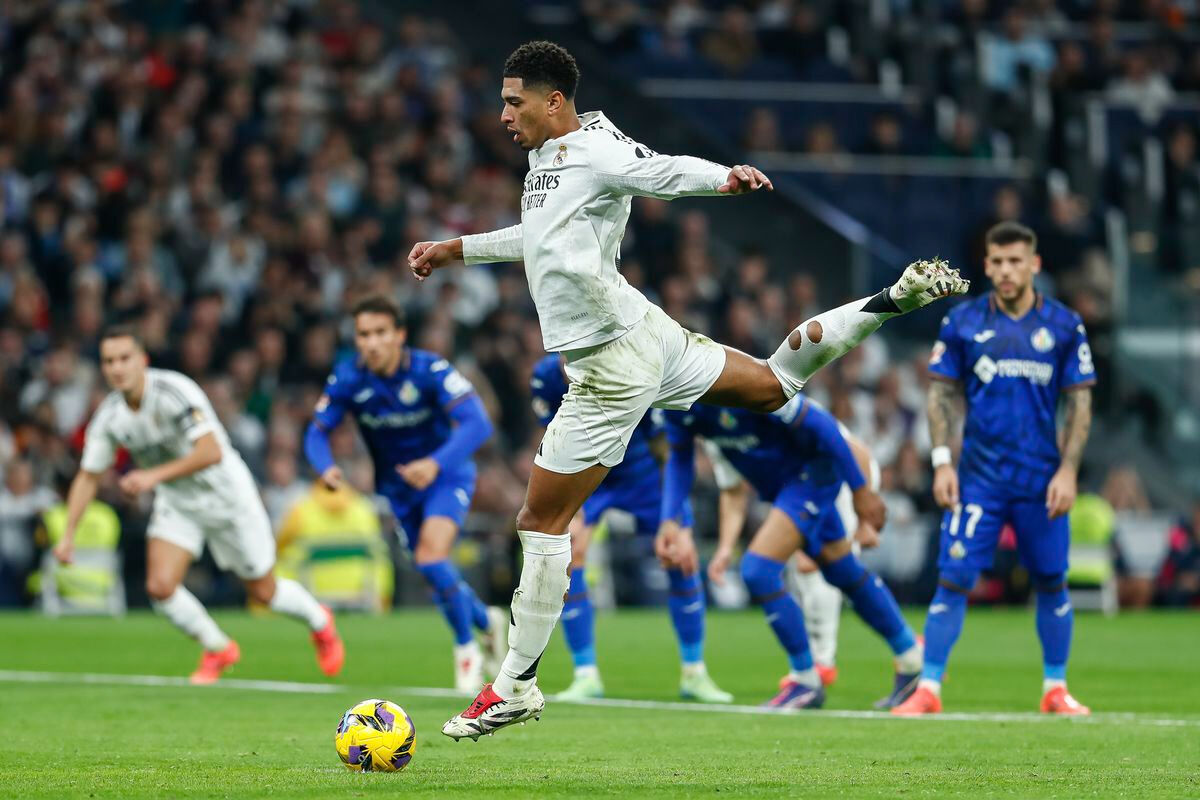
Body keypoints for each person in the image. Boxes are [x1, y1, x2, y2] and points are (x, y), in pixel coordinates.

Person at [409, 40, 967, 740]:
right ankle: (894, 298)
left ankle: (514, 685)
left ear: (554, 101)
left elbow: (661, 171)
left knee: (541, 522)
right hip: (645, 330)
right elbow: (540, 239)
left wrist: (723, 180)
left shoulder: (596, 149)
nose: (502, 115)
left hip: (608, 362)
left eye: (513, 101)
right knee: (769, 385)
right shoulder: (551, 161)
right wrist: (451, 249)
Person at [56, 326, 345, 684]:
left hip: (227, 496)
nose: (117, 368)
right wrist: (68, 534)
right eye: (109, 361)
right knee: (160, 587)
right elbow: (88, 476)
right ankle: (217, 647)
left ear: (142, 360)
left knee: (263, 591)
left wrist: (151, 477)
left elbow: (209, 451)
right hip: (179, 501)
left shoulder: (174, 392)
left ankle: (320, 621)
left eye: (124, 358)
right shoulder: (110, 416)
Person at [893, 221, 1095, 716]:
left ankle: (1055, 688)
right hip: (978, 481)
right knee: (953, 578)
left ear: (1034, 264)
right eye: (997, 262)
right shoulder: (962, 322)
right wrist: (943, 463)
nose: (1006, 270)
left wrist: (1068, 472)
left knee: (1051, 580)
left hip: (1040, 481)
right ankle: (929, 689)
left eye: (1015, 261)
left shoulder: (1065, 326)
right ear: (986, 265)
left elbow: (1079, 404)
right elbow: (940, 395)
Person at [304, 295, 504, 692]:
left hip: (447, 476)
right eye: (363, 334)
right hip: (398, 488)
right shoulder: (348, 378)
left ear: (400, 335)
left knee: (432, 555)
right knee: (432, 570)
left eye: (380, 333)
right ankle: (486, 620)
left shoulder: (430, 370)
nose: (372, 343)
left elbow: (478, 424)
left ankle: (468, 651)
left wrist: (435, 463)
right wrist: (325, 466)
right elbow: (316, 431)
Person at [667, 398, 922, 709]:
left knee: (758, 570)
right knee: (842, 570)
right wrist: (673, 522)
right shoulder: (680, 406)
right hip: (788, 491)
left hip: (816, 477)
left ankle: (805, 679)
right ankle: (912, 659)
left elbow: (839, 438)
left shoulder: (750, 385)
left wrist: (863, 498)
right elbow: (684, 461)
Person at [530, 353, 732, 703]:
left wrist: (677, 517)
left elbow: (664, 447)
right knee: (569, 551)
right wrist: (568, 504)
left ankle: (695, 673)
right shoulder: (545, 378)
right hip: (588, 476)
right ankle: (585, 675)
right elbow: (554, 439)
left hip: (640, 472)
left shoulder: (630, 366)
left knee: (679, 554)